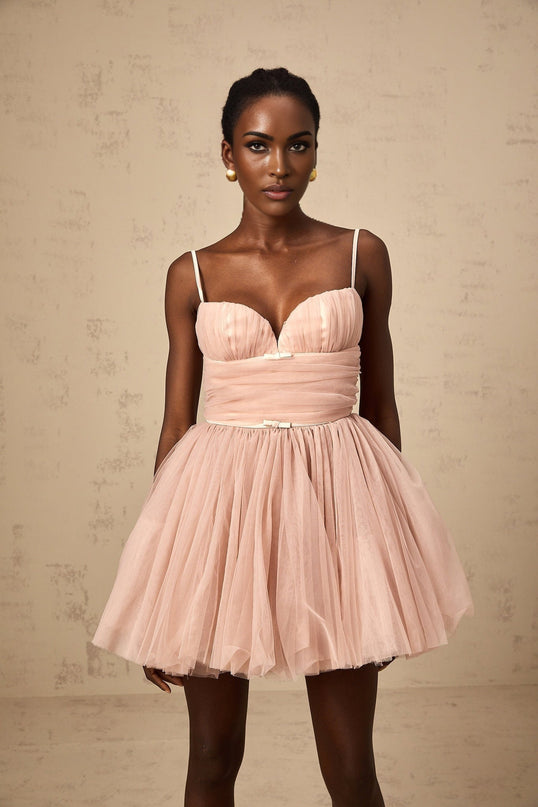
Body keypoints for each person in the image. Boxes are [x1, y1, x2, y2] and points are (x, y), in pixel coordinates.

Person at [92, 67, 473, 807]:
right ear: (228, 154)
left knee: (352, 767)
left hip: (338, 510)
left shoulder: (362, 253)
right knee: (209, 759)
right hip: (216, 514)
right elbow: (177, 425)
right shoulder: (192, 274)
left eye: (298, 145)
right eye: (259, 146)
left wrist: (386, 576)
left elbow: (382, 410)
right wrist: (160, 587)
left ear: (316, 152)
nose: (280, 166)